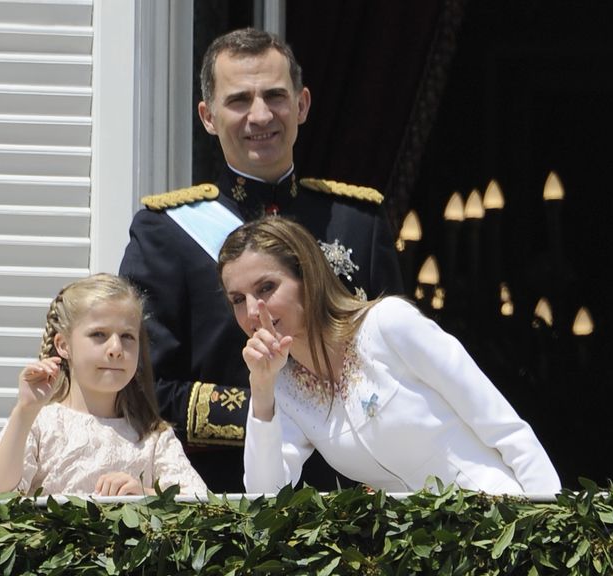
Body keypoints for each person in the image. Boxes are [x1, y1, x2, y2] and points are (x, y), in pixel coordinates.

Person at [119, 28, 403, 491]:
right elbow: (143, 385)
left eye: (275, 96)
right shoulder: (165, 233)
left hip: (349, 501)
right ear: (208, 117)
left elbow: (396, 366)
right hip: (222, 500)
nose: (260, 115)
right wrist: (274, 410)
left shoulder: (359, 224)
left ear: (302, 105)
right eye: (239, 100)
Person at [218, 216, 561, 494]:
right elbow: (266, 497)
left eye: (266, 288)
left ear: (307, 277)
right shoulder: (284, 387)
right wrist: (262, 391)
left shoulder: (388, 325)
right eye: (237, 299)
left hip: (503, 527)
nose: (252, 311)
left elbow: (505, 429)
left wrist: (550, 527)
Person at [0, 274, 207, 497]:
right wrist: (25, 410)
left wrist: (144, 496)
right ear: (64, 345)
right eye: (99, 334)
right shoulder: (39, 424)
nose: (116, 348)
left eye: (127, 336)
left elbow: (200, 505)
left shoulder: (152, 436)